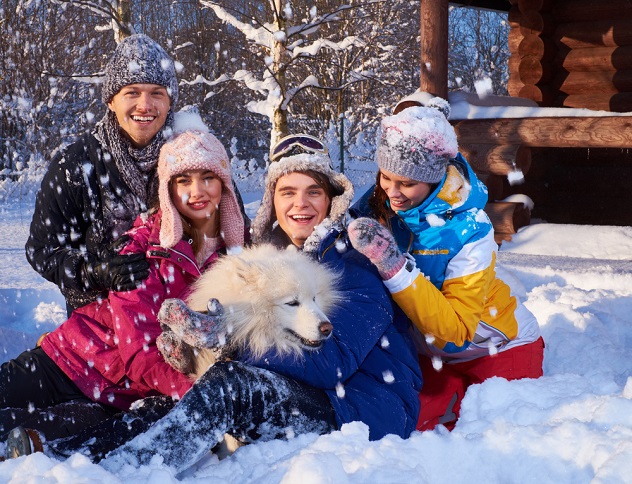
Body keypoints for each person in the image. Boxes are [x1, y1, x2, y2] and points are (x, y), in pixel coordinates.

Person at [21, 134, 422, 473]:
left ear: (332, 199)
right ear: (273, 203)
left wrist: (227, 343)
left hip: (364, 409)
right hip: (313, 395)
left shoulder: (356, 262)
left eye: (313, 192)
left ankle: (131, 471)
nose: (300, 204)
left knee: (232, 388)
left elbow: (330, 361)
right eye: (288, 193)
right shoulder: (280, 260)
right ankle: (71, 460)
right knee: (187, 397)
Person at [1, 122, 245, 453]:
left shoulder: (237, 260)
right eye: (183, 180)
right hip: (71, 359)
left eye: (208, 178)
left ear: (224, 185)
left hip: (120, 398)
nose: (196, 191)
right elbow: (139, 354)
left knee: (35, 438)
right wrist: (202, 393)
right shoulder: (142, 248)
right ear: (167, 190)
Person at [348, 93, 544, 431]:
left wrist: (395, 267)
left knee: (487, 430)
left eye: (407, 183)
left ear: (434, 177)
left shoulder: (470, 230)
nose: (393, 192)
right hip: (428, 353)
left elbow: (457, 333)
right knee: (408, 422)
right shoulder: (384, 202)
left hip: (494, 346)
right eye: (385, 177)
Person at [25, 34, 179, 315]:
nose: (145, 105)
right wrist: (93, 272)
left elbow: (229, 235)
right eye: (131, 92)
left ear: (170, 101)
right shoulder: (74, 164)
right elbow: (42, 250)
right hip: (95, 324)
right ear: (111, 101)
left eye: (157, 92)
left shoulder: (192, 158)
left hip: (179, 321)